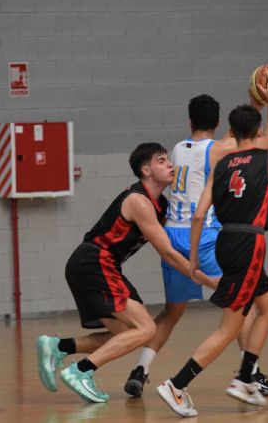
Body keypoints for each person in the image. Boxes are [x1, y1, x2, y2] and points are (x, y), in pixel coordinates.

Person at [124, 78, 268, 398]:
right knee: (246, 305)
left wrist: (253, 106)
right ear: (217, 122)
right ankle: (250, 375)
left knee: (173, 311)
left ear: (190, 121)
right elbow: (264, 144)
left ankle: (141, 369)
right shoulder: (221, 150)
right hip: (205, 238)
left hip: (172, 235)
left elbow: (230, 139)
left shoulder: (178, 149)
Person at [35, 143, 214, 403]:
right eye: (162, 161)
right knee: (146, 329)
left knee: (124, 334)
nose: (170, 165)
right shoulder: (138, 201)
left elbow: (177, 240)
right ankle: (81, 371)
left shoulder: (160, 204)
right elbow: (167, 253)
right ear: (145, 170)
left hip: (96, 266)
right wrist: (210, 281)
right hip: (94, 263)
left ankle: (59, 347)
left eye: (168, 160)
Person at [156, 105, 268, 417]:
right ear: (258, 132)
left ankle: (246, 376)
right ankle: (177, 385)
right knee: (231, 326)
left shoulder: (221, 164)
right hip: (249, 244)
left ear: (230, 132)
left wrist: (192, 260)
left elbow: (200, 215)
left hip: (223, 241)